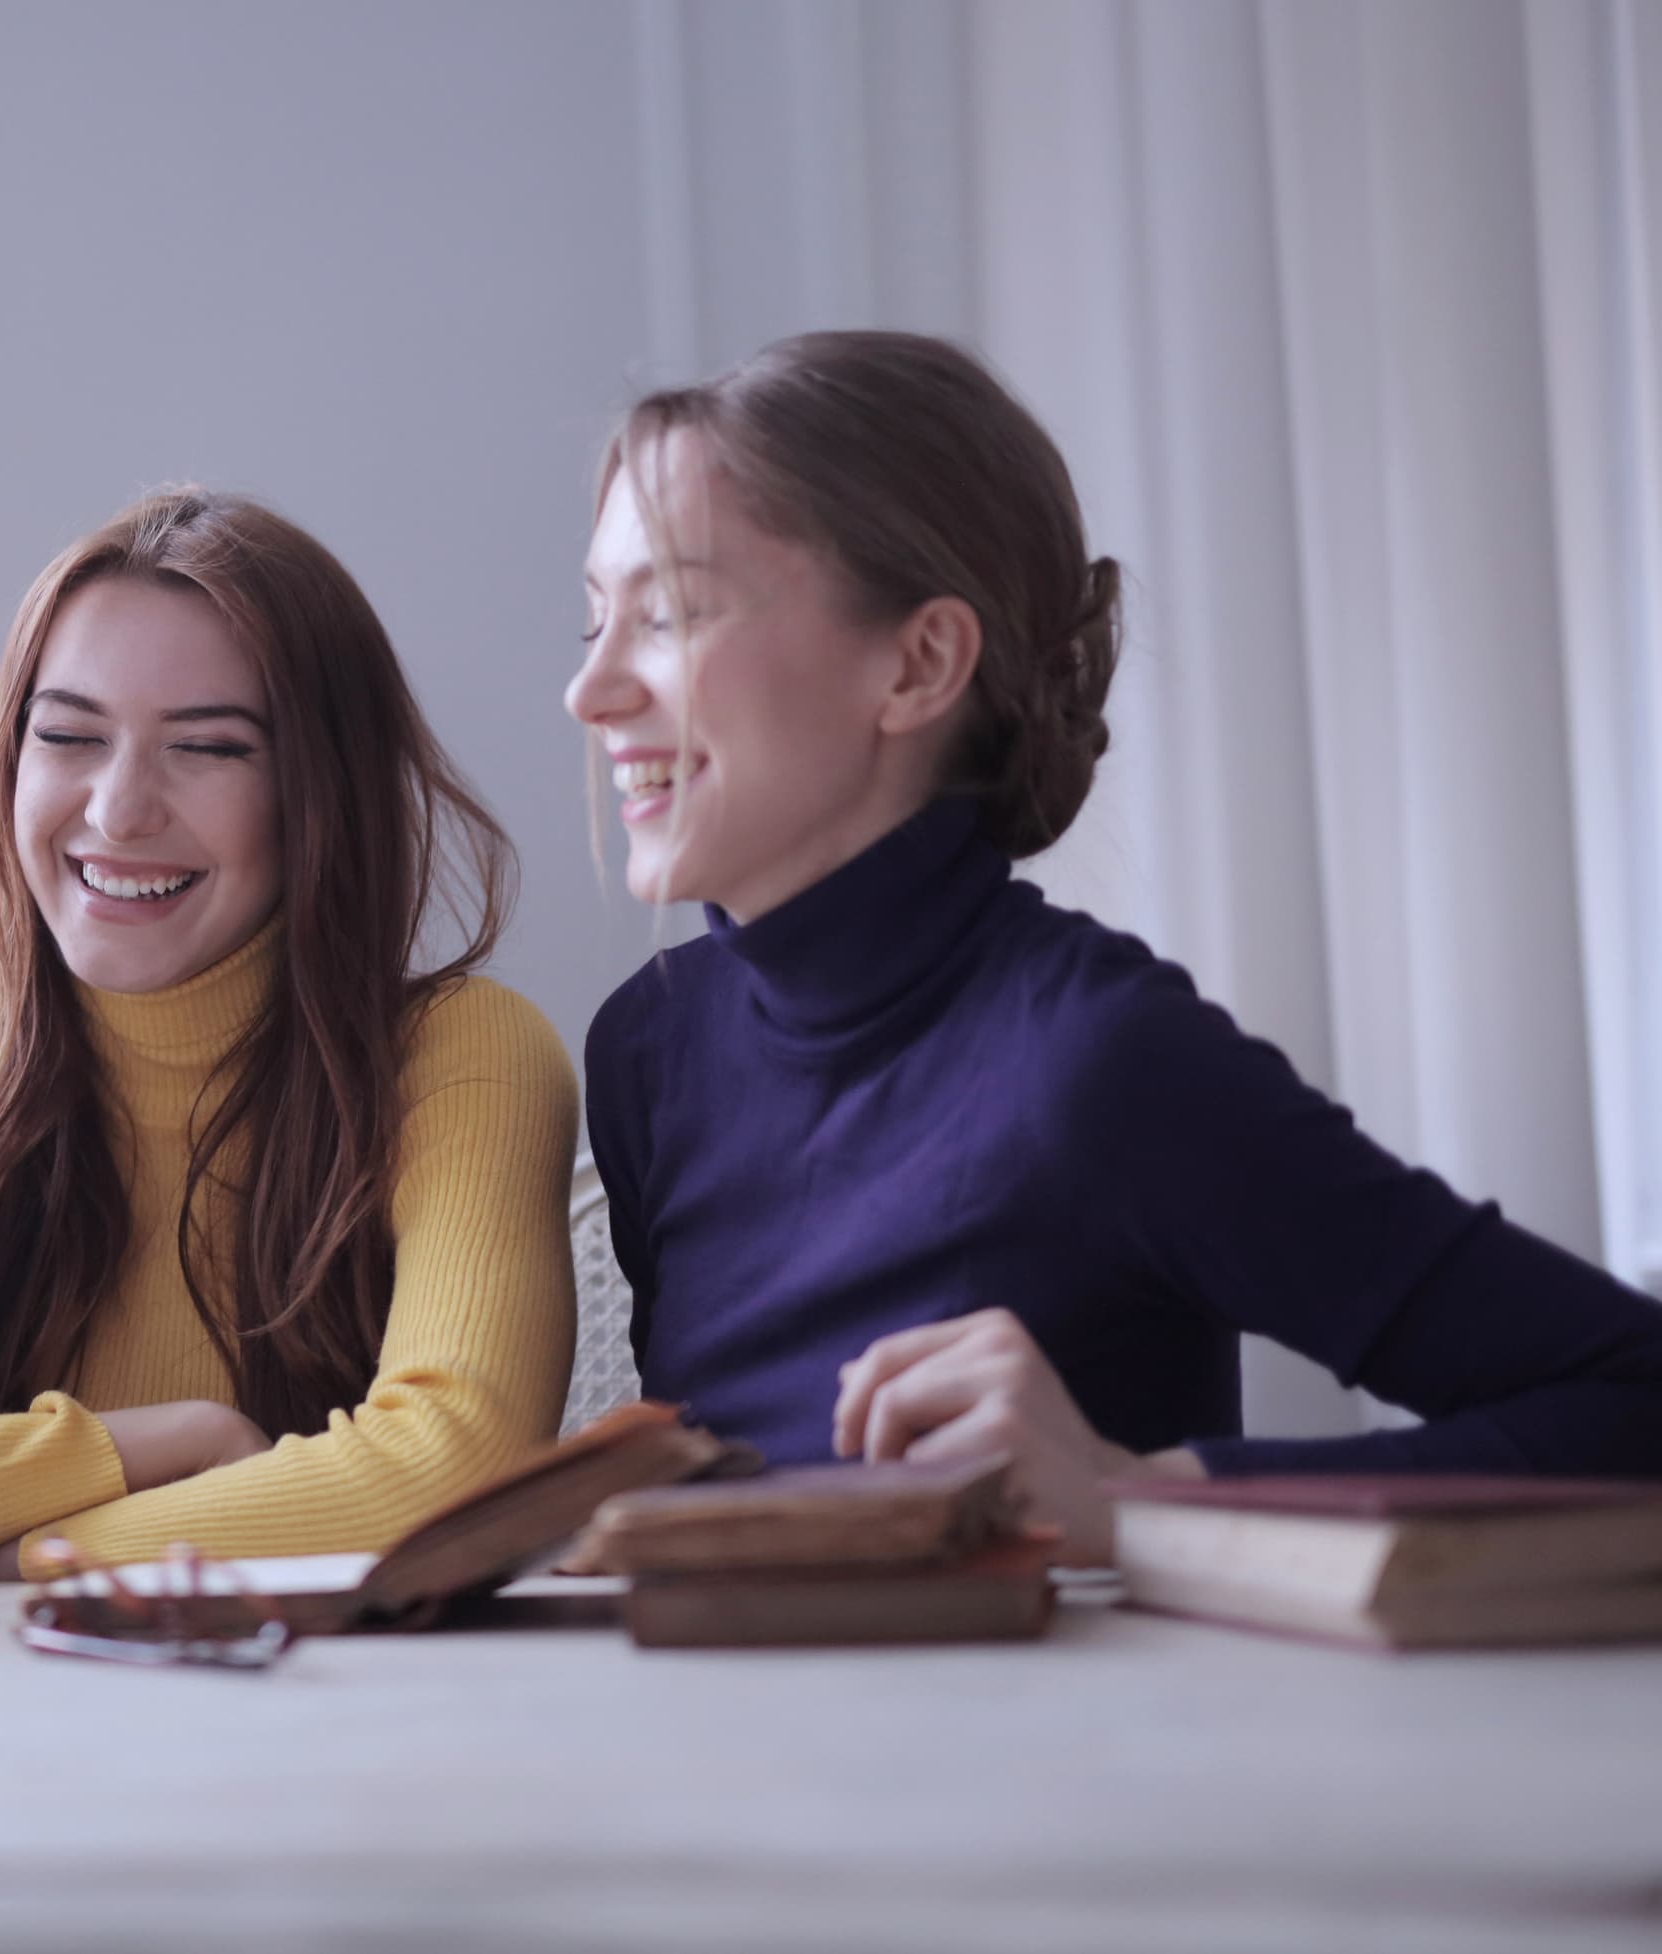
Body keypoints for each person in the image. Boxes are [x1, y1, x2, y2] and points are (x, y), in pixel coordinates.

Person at [568, 330, 1662, 1562]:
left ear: (919, 662)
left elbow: (1634, 1396)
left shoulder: (1100, 1063)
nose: (591, 691)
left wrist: (1141, 1494)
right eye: (595, 620)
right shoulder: (651, 1049)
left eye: (666, 616)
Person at [0, 487, 578, 1580]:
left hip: (351, 1723)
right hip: (7, 1735)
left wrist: (20, 1564)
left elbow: (454, 1476)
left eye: (208, 747)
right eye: (68, 735)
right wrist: (156, 1443)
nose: (117, 809)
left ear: (318, 794)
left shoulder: (459, 1057)